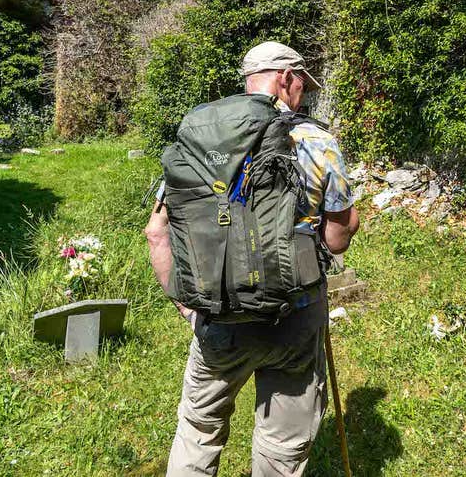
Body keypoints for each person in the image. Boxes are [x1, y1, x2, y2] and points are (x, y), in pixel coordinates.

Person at [144, 41, 361, 477]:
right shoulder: (315, 140)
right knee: (282, 444)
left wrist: (187, 303)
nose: (304, 92)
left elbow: (157, 232)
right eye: (302, 82)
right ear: (285, 77)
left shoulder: (201, 139)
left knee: (198, 428)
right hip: (293, 315)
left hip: (216, 314)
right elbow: (338, 237)